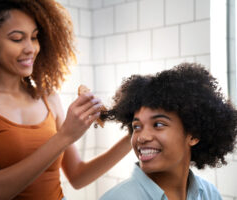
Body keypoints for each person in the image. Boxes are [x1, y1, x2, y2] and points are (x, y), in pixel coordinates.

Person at [0, 0, 132, 199]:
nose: (31, 48)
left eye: (34, 37)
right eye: (17, 39)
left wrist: (132, 137)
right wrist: (65, 136)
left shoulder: (48, 97)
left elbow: (78, 176)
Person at [99, 63, 237, 200]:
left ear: (194, 135)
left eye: (158, 124)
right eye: (137, 126)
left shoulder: (210, 194)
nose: (142, 137)